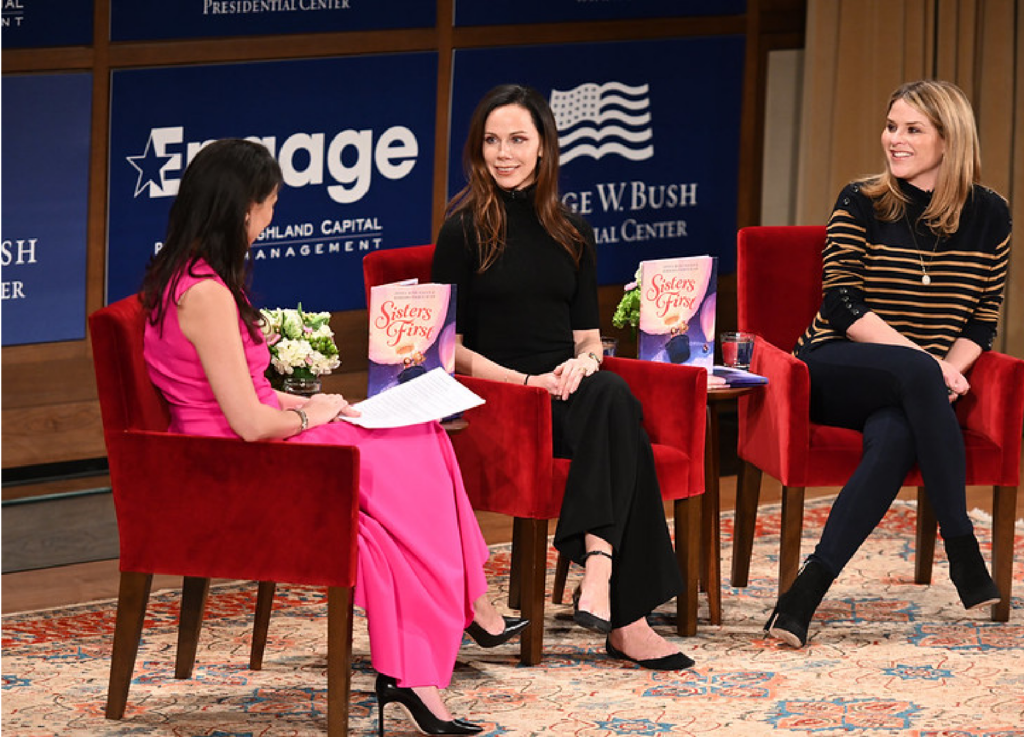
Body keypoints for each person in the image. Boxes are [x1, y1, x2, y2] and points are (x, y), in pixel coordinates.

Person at [140, 138, 529, 736]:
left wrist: (312, 403)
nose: (271, 218)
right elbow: (246, 422)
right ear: (238, 207)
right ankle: (427, 653)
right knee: (406, 463)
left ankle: (466, 608)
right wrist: (310, 417)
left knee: (421, 431)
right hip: (239, 463)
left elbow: (239, 388)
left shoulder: (195, 274)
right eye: (267, 204)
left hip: (256, 441)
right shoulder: (206, 294)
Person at [433, 83, 693, 670]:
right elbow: (448, 348)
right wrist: (526, 384)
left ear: (544, 148)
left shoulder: (573, 232)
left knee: (611, 396)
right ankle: (621, 609)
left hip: (567, 391)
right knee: (622, 419)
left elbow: (585, 339)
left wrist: (584, 363)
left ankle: (601, 575)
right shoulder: (463, 230)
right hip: (501, 398)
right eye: (492, 141)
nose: (504, 153)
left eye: (518, 140)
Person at [765, 79, 1010, 648]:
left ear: (949, 141)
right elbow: (841, 304)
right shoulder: (862, 200)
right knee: (915, 376)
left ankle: (802, 597)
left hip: (914, 388)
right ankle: (963, 547)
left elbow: (983, 319)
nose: (894, 140)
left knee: (897, 436)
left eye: (912, 129)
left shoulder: (990, 215)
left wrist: (945, 369)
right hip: (833, 365)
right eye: (891, 126)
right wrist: (931, 366)